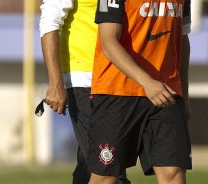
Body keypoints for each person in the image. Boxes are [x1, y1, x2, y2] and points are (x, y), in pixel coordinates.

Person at [87, 0, 192, 184]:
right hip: (117, 92)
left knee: (173, 172)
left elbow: (183, 39)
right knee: (106, 176)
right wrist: (147, 82)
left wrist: (183, 93)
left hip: (166, 93)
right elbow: (109, 42)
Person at [39, 0, 130, 183]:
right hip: (86, 77)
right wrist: (56, 83)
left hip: (121, 76)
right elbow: (50, 19)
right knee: (108, 169)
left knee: (90, 165)